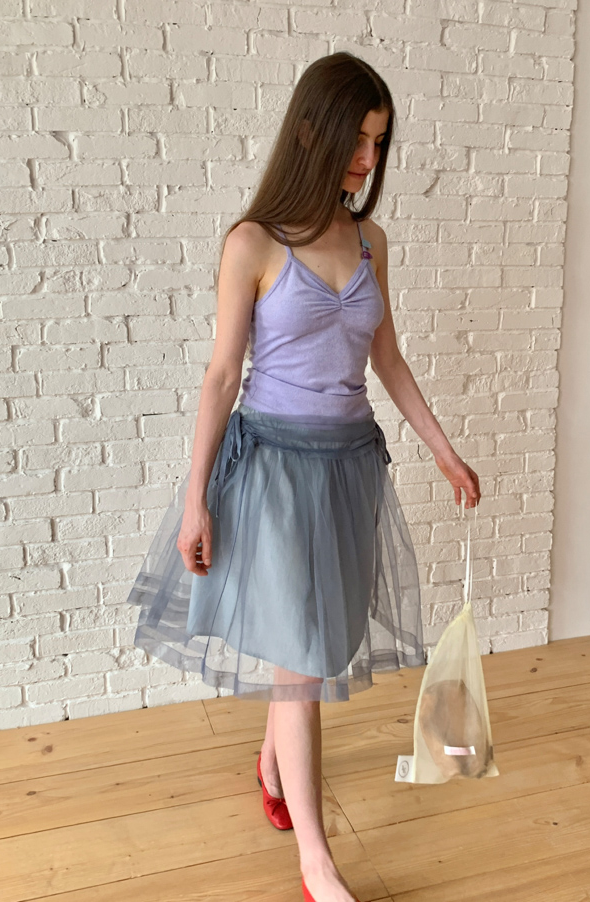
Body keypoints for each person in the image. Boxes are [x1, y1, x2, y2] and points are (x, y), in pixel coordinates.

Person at [126, 51, 480, 902]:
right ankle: (317, 862)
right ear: (312, 132)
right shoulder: (251, 243)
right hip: (273, 473)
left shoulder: (370, 242)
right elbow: (221, 376)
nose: (367, 158)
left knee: (315, 642)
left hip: (349, 468)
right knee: (302, 667)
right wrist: (195, 499)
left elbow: (386, 358)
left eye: (379, 142)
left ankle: (270, 762)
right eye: (356, 138)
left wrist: (441, 448)